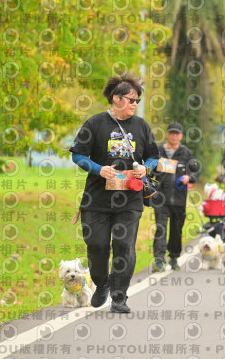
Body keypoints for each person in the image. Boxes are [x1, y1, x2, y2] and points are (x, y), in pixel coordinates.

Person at [70, 75, 160, 313]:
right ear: (116, 98)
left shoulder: (141, 126)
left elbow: (153, 157)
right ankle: (102, 284)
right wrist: (99, 169)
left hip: (130, 199)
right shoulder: (95, 123)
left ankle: (119, 297)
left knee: (124, 246)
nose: (135, 104)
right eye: (131, 99)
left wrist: (146, 168)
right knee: (97, 246)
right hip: (96, 199)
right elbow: (77, 155)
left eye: (138, 100)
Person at [151, 122, 199, 273]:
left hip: (179, 199)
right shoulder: (158, 151)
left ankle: (174, 257)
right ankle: (159, 260)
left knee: (176, 231)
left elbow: (195, 170)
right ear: (167, 134)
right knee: (161, 229)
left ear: (181, 136)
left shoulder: (186, 153)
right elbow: (149, 171)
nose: (174, 136)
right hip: (161, 199)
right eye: (171, 133)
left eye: (176, 134)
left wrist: (189, 177)